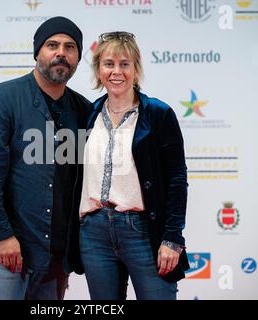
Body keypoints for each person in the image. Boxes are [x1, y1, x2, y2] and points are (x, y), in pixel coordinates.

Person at [0, 16, 91, 300]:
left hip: (55, 257)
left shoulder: (83, 110)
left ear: (78, 57)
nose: (61, 52)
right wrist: (2, 235)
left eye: (70, 47)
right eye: (52, 45)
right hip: (7, 250)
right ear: (38, 52)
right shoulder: (1, 100)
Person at [78, 31, 189, 300]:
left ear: (136, 69)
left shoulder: (158, 114)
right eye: (109, 64)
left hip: (142, 231)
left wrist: (172, 238)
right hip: (94, 234)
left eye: (124, 64)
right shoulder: (87, 115)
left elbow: (176, 179)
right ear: (98, 70)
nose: (117, 72)